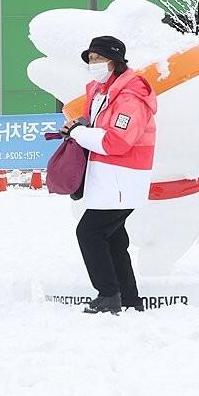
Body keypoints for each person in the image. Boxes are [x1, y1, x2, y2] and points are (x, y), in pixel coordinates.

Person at [63, 35, 158, 315]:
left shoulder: (131, 95)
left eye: (98, 58)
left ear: (114, 61)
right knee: (113, 237)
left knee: (89, 232)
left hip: (123, 177)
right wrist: (80, 124)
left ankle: (107, 294)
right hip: (108, 177)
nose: (93, 64)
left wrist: (79, 133)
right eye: (90, 59)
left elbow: (116, 141)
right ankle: (128, 297)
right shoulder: (99, 91)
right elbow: (95, 124)